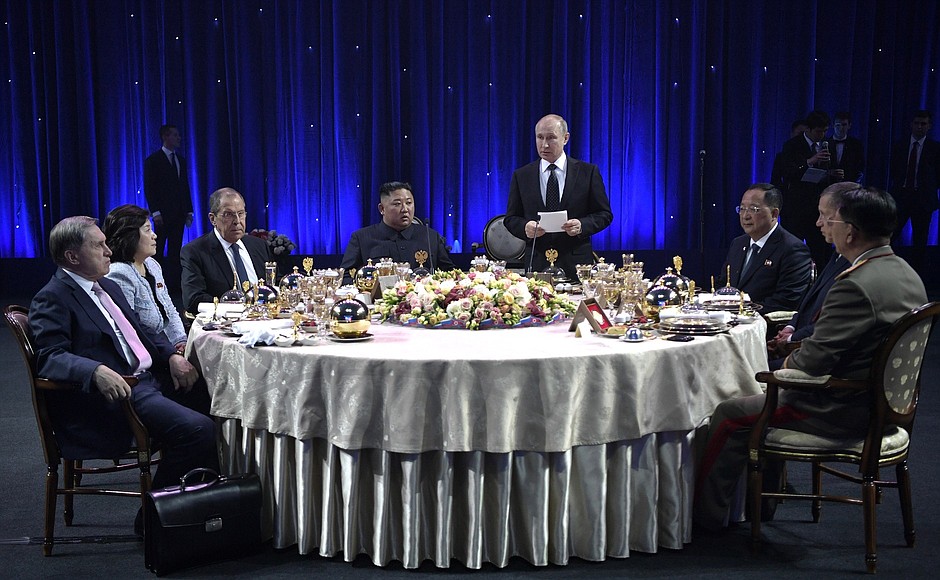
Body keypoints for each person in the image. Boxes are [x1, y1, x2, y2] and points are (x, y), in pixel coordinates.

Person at [694, 186, 927, 531]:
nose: (820, 225)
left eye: (828, 219)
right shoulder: (906, 273)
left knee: (729, 413)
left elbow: (812, 364)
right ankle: (760, 504)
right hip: (887, 405)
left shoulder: (855, 284)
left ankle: (706, 520)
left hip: (837, 408)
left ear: (850, 231)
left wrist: (779, 367)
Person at [28, 216, 218, 531]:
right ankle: (155, 522)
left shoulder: (107, 285)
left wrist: (172, 355)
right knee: (198, 430)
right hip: (121, 395)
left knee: (221, 402)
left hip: (150, 379)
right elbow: (49, 357)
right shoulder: (53, 297)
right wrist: (95, 370)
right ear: (72, 256)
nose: (108, 251)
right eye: (99, 246)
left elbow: (143, 331)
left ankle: (206, 507)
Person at [503, 114, 613, 280]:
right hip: (537, 262)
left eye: (551, 138)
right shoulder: (522, 175)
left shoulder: (587, 172)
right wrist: (525, 227)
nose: (544, 144)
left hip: (576, 263)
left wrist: (582, 225)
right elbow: (511, 219)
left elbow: (604, 214)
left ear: (565, 138)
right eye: (540, 137)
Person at [766, 182, 857, 367]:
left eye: (824, 215)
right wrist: (790, 327)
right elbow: (810, 303)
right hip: (802, 344)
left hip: (815, 362)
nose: (818, 222)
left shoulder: (857, 270)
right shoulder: (838, 255)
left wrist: (790, 341)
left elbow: (828, 328)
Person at [103, 204, 188, 352]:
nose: (154, 235)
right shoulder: (119, 274)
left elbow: (169, 309)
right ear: (130, 236)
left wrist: (180, 341)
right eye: (148, 230)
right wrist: (170, 354)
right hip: (145, 351)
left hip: (164, 345)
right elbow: (130, 329)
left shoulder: (152, 264)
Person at [718, 183, 812, 313]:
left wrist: (742, 312)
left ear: (774, 214)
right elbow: (724, 284)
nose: (745, 216)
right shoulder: (738, 243)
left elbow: (786, 301)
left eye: (754, 209)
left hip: (764, 321)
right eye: (742, 209)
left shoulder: (793, 249)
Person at [339, 181, 457, 282]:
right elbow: (346, 276)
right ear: (382, 209)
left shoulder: (430, 236)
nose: (405, 209)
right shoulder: (361, 238)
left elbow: (449, 273)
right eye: (397, 204)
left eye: (409, 203)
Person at [180, 187, 271, 315]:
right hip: (227, 321)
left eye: (241, 213)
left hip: (265, 318)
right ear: (213, 219)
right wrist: (236, 306)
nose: (237, 221)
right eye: (228, 214)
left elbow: (274, 284)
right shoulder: (195, 252)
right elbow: (193, 299)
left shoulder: (259, 245)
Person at [777, 110, 836, 268]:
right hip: (797, 207)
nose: (822, 135)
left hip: (818, 206)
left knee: (820, 251)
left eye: (825, 131)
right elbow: (788, 172)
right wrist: (810, 161)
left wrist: (831, 173)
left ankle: (820, 280)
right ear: (808, 129)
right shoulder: (792, 145)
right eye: (818, 131)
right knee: (793, 250)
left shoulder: (827, 144)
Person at [144, 124, 194, 291]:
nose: (178, 138)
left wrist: (189, 210)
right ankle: (155, 285)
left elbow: (184, 187)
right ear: (165, 137)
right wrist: (155, 212)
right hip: (162, 215)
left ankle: (174, 286)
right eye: (175, 135)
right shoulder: (153, 160)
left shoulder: (181, 160)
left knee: (175, 250)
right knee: (157, 250)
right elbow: (150, 188)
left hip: (179, 213)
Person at [889, 109, 940, 273]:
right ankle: (886, 269)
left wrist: (929, 190)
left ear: (929, 126)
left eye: (923, 124)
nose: (919, 127)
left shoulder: (935, 148)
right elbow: (893, 170)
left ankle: (917, 276)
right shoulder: (900, 145)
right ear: (911, 124)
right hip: (901, 197)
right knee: (890, 235)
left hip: (923, 200)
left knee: (920, 241)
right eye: (917, 123)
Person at [770, 118, 809, 188]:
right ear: (792, 134)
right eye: (800, 134)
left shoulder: (813, 153)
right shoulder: (782, 156)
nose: (802, 138)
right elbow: (775, 180)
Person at [830, 112, 865, 183]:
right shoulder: (825, 143)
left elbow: (860, 166)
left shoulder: (856, 145)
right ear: (833, 125)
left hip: (849, 184)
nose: (841, 128)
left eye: (844, 125)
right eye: (838, 125)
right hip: (828, 184)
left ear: (849, 126)